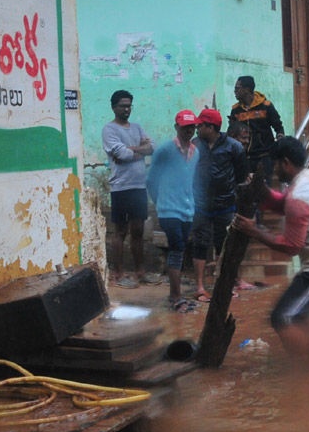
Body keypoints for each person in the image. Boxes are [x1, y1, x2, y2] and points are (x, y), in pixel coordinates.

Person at [232, 136, 309, 363]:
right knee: (297, 313)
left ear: (286, 162)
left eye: (276, 164)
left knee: (283, 317)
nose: (275, 169)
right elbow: (282, 203)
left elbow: (291, 246)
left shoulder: (299, 194)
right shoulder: (308, 179)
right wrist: (262, 191)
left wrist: (255, 231)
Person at [191, 107, 249, 303]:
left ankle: (225, 286)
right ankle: (200, 287)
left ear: (211, 127)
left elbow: (241, 175)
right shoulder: (194, 145)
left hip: (225, 205)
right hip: (200, 204)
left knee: (224, 246)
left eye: (201, 125)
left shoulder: (233, 147)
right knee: (199, 243)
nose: (197, 128)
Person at [146, 110, 201, 311]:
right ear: (176, 127)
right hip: (169, 210)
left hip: (187, 209)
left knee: (180, 248)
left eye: (192, 127)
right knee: (177, 250)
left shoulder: (196, 153)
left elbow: (191, 181)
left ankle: (173, 296)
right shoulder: (165, 150)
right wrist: (159, 202)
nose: (189, 130)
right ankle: (177, 297)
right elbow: (151, 180)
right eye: (185, 127)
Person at [101, 89, 156, 287]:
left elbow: (152, 147)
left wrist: (130, 150)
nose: (126, 109)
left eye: (129, 105)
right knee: (121, 231)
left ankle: (141, 272)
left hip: (139, 186)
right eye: (123, 105)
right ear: (114, 107)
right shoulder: (109, 130)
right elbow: (120, 155)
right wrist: (139, 151)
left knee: (138, 230)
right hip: (121, 187)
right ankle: (119, 274)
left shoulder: (137, 127)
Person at [230, 76, 285, 184]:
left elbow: (278, 127)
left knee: (263, 190)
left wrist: (280, 142)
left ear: (246, 89)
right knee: (245, 189)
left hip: (264, 157)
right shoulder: (235, 110)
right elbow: (233, 132)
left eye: (237, 88)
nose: (234, 91)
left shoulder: (266, 106)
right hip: (244, 157)